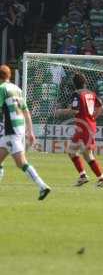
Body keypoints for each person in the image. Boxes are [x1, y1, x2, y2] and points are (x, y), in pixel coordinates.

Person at [0, 65, 51, 200]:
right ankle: (42, 186)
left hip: (11, 130)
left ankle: (42, 186)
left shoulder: (2, 89)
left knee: (21, 162)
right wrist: (30, 131)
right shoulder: (17, 89)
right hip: (17, 128)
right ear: (9, 76)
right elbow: (26, 111)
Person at [55, 73, 103, 187]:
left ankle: (101, 178)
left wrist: (60, 111)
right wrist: (93, 117)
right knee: (72, 151)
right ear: (85, 82)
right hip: (87, 126)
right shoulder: (91, 93)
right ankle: (84, 176)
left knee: (87, 154)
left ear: (74, 84)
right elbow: (102, 108)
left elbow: (75, 110)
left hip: (84, 127)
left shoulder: (77, 94)